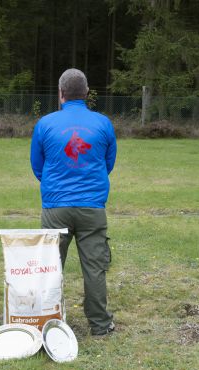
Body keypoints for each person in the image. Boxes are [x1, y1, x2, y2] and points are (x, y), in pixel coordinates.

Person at [30, 68, 117, 337]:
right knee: (94, 268)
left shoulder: (45, 124)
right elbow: (108, 163)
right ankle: (100, 325)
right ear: (87, 92)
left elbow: (38, 166)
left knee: (51, 266)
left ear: (61, 93)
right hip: (92, 207)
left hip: (56, 207)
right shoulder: (103, 123)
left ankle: (48, 321)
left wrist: (56, 186)